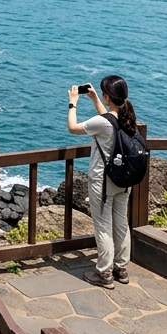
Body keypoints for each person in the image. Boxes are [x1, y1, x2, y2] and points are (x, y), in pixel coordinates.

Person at [67, 75, 139, 288]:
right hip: (124, 180)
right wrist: (96, 99)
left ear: (108, 96)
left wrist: (73, 102)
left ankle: (104, 273)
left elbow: (73, 128)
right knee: (121, 224)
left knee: (103, 227)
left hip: (103, 181)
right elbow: (109, 118)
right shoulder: (127, 116)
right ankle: (121, 268)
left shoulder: (101, 122)